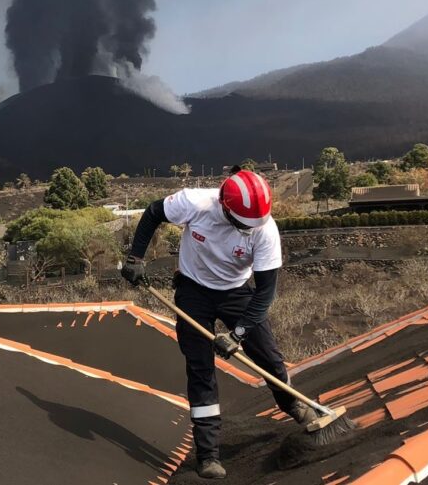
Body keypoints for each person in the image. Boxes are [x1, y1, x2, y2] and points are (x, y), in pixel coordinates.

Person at [121, 166, 317, 480]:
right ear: (226, 208)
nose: (248, 228)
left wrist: (238, 334)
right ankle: (209, 454)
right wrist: (135, 258)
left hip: (236, 293)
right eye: (242, 223)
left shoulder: (265, 230)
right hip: (193, 291)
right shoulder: (195, 203)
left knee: (268, 356)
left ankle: (295, 406)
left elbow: (265, 292)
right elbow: (153, 212)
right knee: (200, 369)